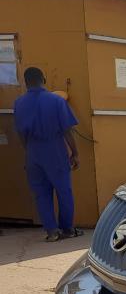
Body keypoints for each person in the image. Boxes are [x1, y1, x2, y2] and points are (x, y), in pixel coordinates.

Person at [14, 67, 81, 242]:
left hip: (32, 151)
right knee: (64, 191)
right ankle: (67, 229)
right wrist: (75, 153)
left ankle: (52, 231)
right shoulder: (56, 101)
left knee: (41, 193)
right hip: (55, 149)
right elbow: (67, 130)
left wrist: (29, 152)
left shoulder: (19, 103)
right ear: (43, 79)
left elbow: (20, 133)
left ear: (25, 82)